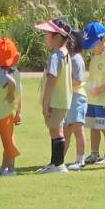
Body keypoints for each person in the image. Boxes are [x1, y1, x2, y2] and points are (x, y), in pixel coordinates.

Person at [70, 21, 105, 168]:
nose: (92, 49)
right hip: (92, 98)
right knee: (93, 126)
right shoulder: (95, 55)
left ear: (104, 39)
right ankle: (94, 153)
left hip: (104, 98)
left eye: (94, 45)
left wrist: (101, 89)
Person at [34, 18, 73, 173]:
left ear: (57, 36)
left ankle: (59, 165)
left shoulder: (57, 56)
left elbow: (52, 79)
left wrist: (46, 101)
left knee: (56, 129)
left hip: (56, 100)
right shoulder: (64, 54)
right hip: (62, 99)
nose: (45, 37)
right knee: (54, 129)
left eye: (48, 34)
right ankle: (54, 163)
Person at [0, 37, 24, 176]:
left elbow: (12, 84)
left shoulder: (1, 72)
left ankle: (10, 169)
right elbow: (20, 93)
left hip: (3, 112)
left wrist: (10, 93)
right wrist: (18, 112)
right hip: (10, 111)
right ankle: (5, 166)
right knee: (8, 138)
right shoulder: (15, 71)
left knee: (7, 140)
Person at [63, 26, 89, 166]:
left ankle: (80, 160)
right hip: (70, 97)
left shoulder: (76, 59)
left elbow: (78, 80)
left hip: (77, 97)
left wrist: (62, 81)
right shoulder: (69, 57)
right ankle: (59, 160)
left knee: (78, 129)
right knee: (66, 130)